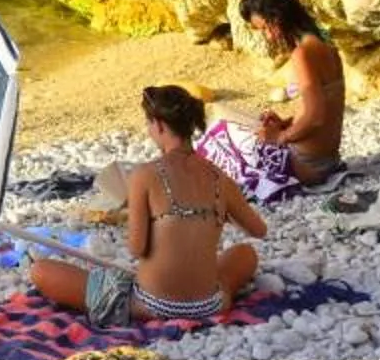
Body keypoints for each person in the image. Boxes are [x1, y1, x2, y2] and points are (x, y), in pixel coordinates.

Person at [32, 85, 264, 326]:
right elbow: (259, 230)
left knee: (41, 270)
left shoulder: (145, 175)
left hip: (153, 302)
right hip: (210, 303)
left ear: (160, 125)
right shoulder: (219, 178)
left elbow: (137, 248)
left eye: (149, 124)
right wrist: (217, 214)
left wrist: (135, 213)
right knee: (245, 253)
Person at [241, 0, 345, 184]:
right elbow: (324, 105)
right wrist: (287, 124)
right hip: (328, 159)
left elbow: (315, 117)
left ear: (277, 18)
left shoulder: (303, 54)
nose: (269, 37)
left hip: (308, 165)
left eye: (266, 28)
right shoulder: (327, 47)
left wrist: (279, 138)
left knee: (226, 136)